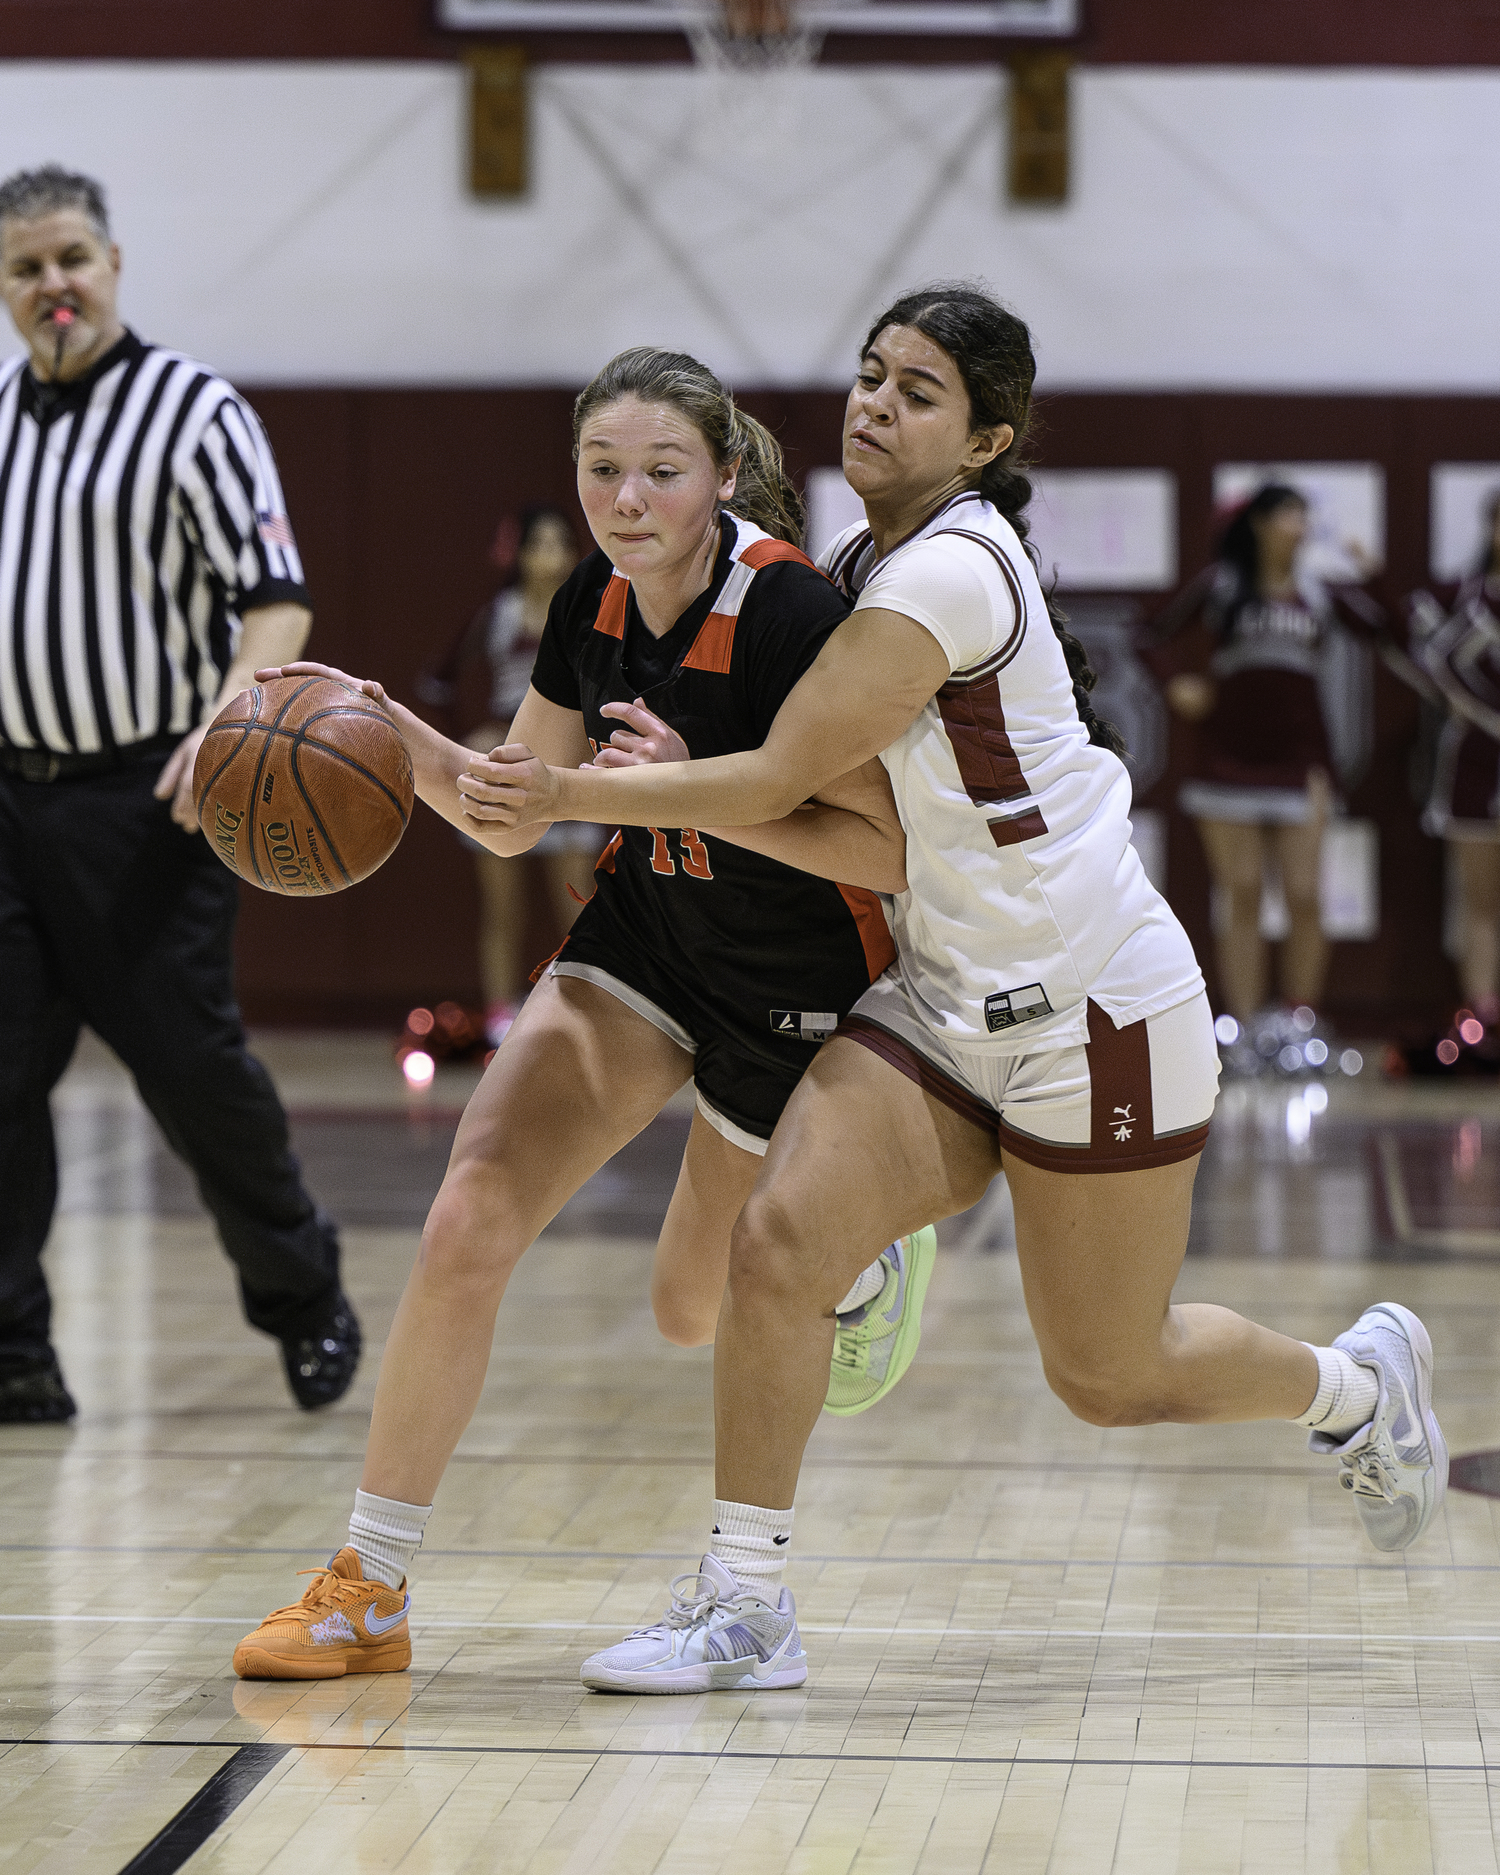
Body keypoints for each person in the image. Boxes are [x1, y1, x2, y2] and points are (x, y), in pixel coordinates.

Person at [460, 284, 1445, 1695]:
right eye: (869, 375)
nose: (875, 402)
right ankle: (746, 1602)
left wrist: (569, 789)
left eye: (918, 390)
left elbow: (783, 775)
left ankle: (1353, 1387)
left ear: (986, 440)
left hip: (1091, 1006)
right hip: (941, 992)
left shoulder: (944, 575)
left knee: (1109, 1372)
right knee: (778, 1244)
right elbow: (808, 810)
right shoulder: (867, 550)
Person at [230, 346, 936, 1681]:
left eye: (661, 470)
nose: (627, 496)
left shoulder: (785, 614)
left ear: (722, 475)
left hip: (792, 980)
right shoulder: (587, 602)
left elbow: (887, 851)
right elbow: (519, 808)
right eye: (602, 469)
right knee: (468, 1214)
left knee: (688, 1307)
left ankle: (863, 1255)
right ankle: (368, 1584)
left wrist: (697, 784)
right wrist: (378, 733)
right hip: (642, 941)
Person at [0, 164, 358, 1424]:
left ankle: (303, 1293)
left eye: (71, 260)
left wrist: (226, 725)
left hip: (149, 803)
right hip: (10, 798)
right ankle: (13, 1352)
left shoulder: (192, 409)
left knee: (191, 1076)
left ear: (112, 264)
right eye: (27, 268)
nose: (54, 286)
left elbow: (276, 598)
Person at [1144, 485, 1383, 1031]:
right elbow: (1148, 631)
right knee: (1243, 894)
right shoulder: (1222, 587)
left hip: (1302, 762)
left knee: (1304, 895)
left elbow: (1383, 628)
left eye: (1303, 513)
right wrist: (1176, 682)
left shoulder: (1319, 593)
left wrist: (1372, 577)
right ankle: (1246, 1028)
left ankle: (1300, 1025)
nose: (1299, 525)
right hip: (1227, 760)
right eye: (1287, 514)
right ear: (1257, 524)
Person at [419, 507, 600, 1045]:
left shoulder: (590, 611)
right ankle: (500, 1015)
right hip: (504, 765)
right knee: (503, 908)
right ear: (518, 554)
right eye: (538, 544)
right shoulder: (499, 614)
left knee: (579, 904)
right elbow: (436, 683)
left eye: (560, 543)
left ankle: (588, 1013)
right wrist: (471, 736)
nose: (551, 555)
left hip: (567, 771)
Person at [1405, 494, 1500, 1042]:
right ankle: (1481, 1026)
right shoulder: (1465, 598)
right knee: (1481, 901)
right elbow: (1425, 655)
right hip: (1475, 762)